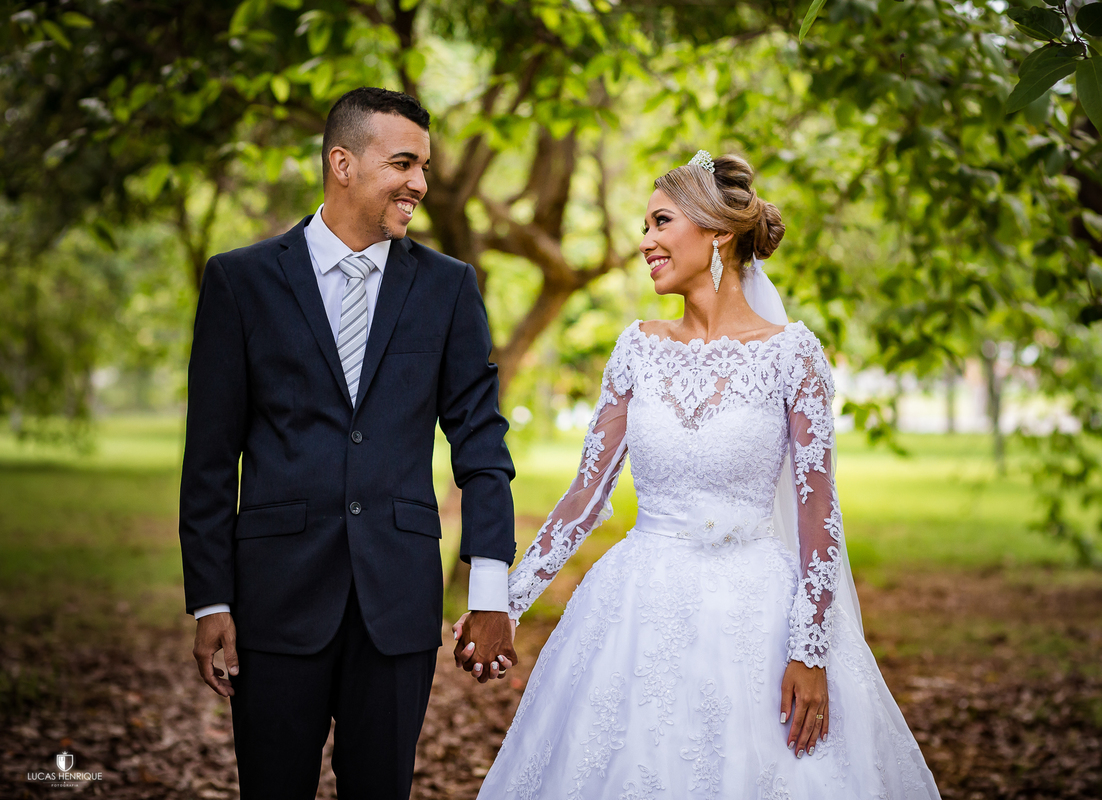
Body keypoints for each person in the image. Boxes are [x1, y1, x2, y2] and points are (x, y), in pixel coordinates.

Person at [469, 152, 942, 798]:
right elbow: (587, 493)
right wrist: (507, 601)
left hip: (756, 620)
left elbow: (817, 517)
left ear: (717, 233)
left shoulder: (792, 357)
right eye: (644, 226)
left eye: (661, 222)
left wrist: (811, 650)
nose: (645, 242)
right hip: (635, 612)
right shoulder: (637, 347)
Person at [178, 87, 518, 800]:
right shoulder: (239, 282)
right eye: (403, 163)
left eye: (424, 166)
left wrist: (490, 590)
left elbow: (481, 442)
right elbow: (210, 460)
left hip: (396, 604)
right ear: (342, 163)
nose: (420, 183)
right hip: (274, 599)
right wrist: (211, 601)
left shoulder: (450, 289)